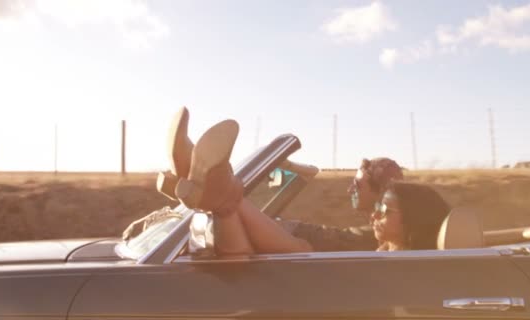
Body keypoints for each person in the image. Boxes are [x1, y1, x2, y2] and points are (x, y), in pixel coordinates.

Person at [156, 108, 408, 255]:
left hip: (305, 246)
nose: (350, 188)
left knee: (278, 238)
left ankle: (212, 188)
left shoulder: (377, 237)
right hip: (301, 234)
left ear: (382, 191)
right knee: (252, 228)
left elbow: (303, 250)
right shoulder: (373, 230)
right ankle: (202, 185)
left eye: (359, 185)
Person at [372, 182, 450, 251]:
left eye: (385, 210)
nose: (374, 215)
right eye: (379, 207)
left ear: (414, 218)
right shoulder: (380, 257)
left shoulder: (423, 265)